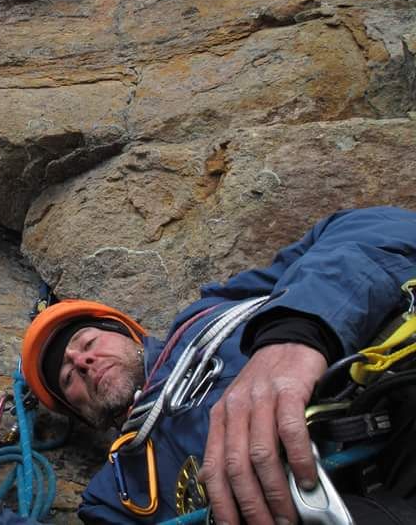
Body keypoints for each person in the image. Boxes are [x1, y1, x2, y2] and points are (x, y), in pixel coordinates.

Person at [21, 205, 416, 524]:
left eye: (88, 342)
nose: (83, 361)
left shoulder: (208, 316)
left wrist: (300, 331)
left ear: (129, 333)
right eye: (68, 377)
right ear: (82, 415)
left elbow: (378, 226)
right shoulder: (113, 496)